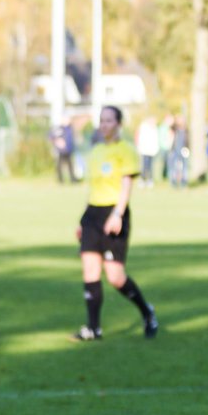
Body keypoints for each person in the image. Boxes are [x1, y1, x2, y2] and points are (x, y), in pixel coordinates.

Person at [72, 106, 158, 342]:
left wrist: (118, 214)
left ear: (119, 124)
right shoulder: (96, 150)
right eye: (102, 120)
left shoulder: (127, 150)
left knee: (115, 277)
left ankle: (147, 312)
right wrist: (83, 219)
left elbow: (126, 185)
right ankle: (93, 329)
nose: (104, 125)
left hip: (114, 213)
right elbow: (93, 189)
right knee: (90, 269)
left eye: (109, 120)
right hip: (92, 214)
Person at [52, 118, 78, 184]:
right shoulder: (60, 129)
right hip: (61, 151)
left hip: (69, 150)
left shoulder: (70, 128)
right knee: (59, 166)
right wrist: (57, 141)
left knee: (70, 166)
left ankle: (72, 179)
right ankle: (60, 180)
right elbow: (52, 136)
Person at [136, 117, 159, 188]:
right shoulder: (144, 128)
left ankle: (150, 180)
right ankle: (143, 179)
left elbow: (156, 140)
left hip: (151, 151)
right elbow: (141, 139)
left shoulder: (155, 129)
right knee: (144, 166)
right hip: (145, 150)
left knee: (150, 166)